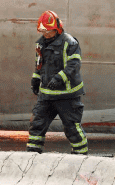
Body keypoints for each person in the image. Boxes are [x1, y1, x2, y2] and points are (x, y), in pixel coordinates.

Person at [27, 10, 88, 155]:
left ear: (57, 28)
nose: (45, 34)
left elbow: (74, 65)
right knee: (37, 125)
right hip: (47, 95)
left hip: (67, 95)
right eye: (43, 31)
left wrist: (59, 78)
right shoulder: (41, 44)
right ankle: (31, 156)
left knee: (72, 128)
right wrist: (36, 78)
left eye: (48, 31)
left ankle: (81, 157)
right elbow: (39, 64)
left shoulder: (70, 42)